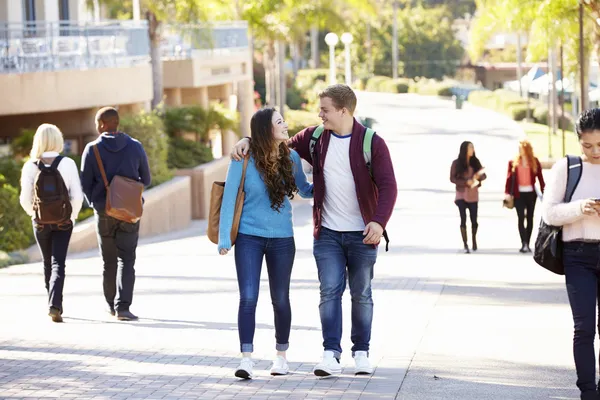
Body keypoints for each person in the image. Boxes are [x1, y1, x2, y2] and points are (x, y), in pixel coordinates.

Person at [231, 84, 398, 377]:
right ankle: (331, 354)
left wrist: (379, 221)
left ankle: (361, 352)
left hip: (363, 233)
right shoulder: (315, 137)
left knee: (361, 294)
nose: (319, 114)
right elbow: (273, 141)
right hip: (329, 233)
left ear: (343, 111)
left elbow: (388, 186)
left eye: (325, 110)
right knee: (329, 292)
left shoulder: (372, 142)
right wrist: (247, 138)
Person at [219, 107, 313, 380]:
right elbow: (229, 199)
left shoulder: (291, 157)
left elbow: (304, 189)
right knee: (248, 297)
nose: (285, 125)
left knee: (280, 298)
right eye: (279, 122)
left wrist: (330, 180)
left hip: (283, 238)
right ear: (265, 129)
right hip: (249, 237)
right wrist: (225, 236)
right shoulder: (243, 158)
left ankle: (281, 357)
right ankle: (246, 359)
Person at [542, 108, 600, 400]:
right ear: (578, 140)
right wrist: (580, 208)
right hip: (577, 254)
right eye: (587, 145)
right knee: (585, 327)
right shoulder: (567, 167)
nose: (594, 151)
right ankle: (588, 391)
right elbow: (550, 213)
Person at [80, 107, 151, 321]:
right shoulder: (136, 146)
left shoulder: (92, 150)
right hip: (129, 212)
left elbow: (85, 184)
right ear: (116, 123)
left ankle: (110, 305)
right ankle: (123, 308)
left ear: (102, 124)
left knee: (108, 261)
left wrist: (98, 203)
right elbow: (146, 179)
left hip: (104, 212)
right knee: (127, 260)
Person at [19, 124, 83, 323]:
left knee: (47, 263)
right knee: (58, 263)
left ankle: (53, 304)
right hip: (64, 222)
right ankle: (55, 304)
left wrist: (35, 215)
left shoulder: (30, 166)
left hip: (40, 223)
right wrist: (71, 217)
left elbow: (24, 199)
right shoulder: (68, 164)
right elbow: (77, 197)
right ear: (58, 140)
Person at [504, 139, 545, 253]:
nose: (519, 151)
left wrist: (545, 192)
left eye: (521, 148)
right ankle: (523, 243)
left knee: (530, 218)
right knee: (521, 218)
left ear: (527, 149)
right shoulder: (513, 162)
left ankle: (528, 241)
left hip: (531, 194)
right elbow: (508, 179)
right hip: (518, 194)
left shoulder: (534, 161)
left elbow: (540, 179)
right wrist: (507, 193)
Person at [450, 141, 486, 253]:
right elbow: (452, 178)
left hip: (473, 194)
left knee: (474, 220)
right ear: (464, 149)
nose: (472, 149)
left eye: (473, 147)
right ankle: (465, 244)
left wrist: (477, 178)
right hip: (461, 194)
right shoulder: (456, 163)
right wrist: (466, 182)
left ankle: (474, 239)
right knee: (463, 218)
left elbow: (484, 175)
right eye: (470, 147)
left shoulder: (475, 162)